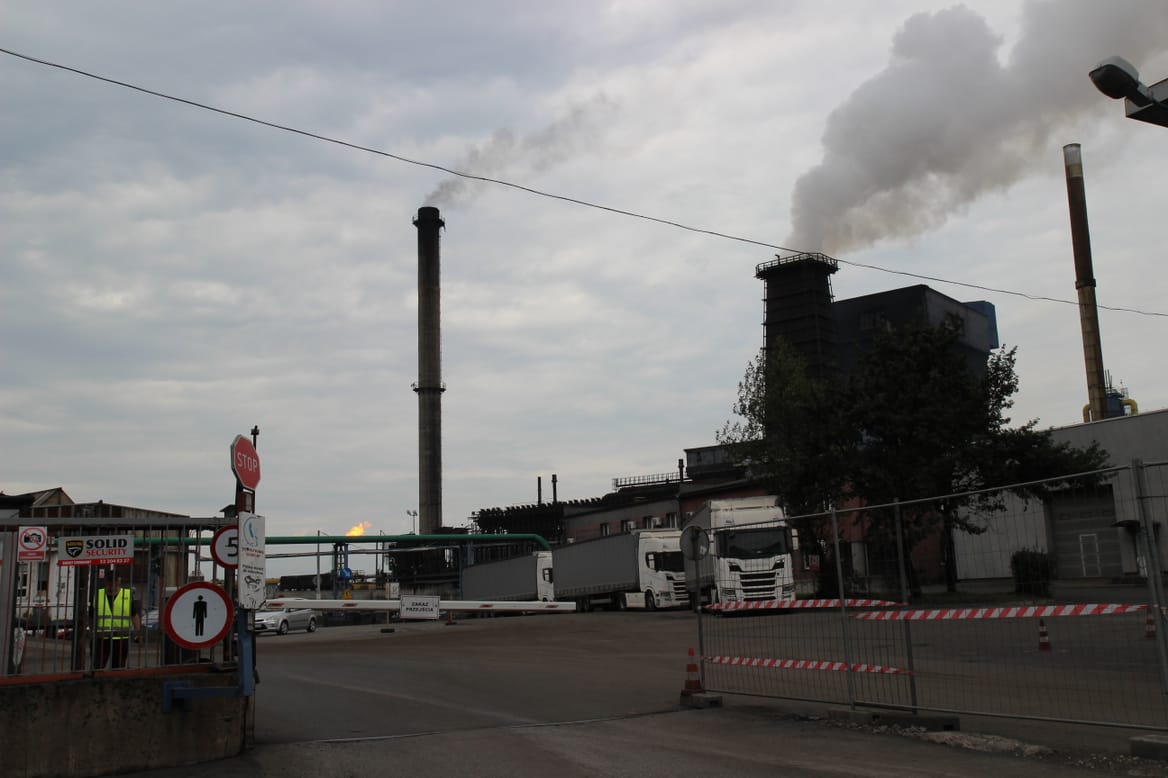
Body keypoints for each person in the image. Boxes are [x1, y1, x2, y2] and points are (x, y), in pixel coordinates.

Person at [92, 567, 142, 669]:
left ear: (119, 580)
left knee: (118, 667)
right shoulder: (98, 594)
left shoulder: (127, 595)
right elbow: (91, 615)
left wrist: (138, 633)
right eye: (110, 580)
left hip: (121, 637)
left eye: (115, 580)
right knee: (97, 667)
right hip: (102, 637)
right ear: (106, 581)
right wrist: (93, 633)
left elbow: (134, 615)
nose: (112, 583)